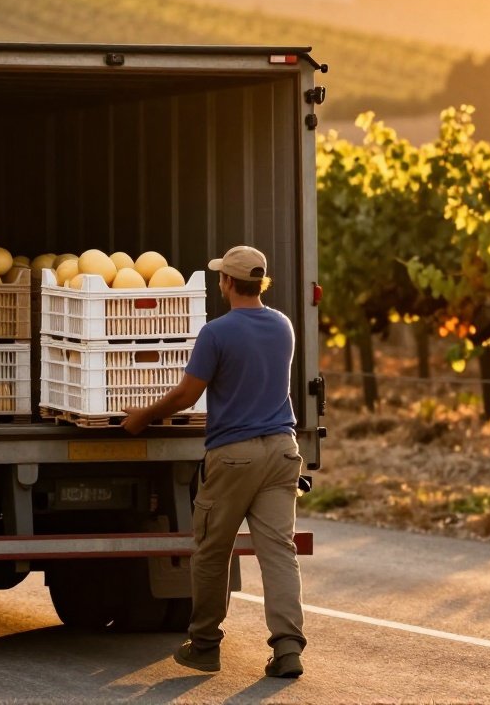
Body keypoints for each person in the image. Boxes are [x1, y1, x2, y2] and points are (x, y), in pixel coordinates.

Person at [123, 245, 305, 680]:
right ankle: (288, 648)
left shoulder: (216, 333)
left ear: (226, 283)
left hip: (234, 455)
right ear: (261, 283)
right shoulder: (283, 326)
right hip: (282, 450)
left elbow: (187, 394)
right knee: (279, 552)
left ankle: (204, 645)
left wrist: (141, 417)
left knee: (210, 550)